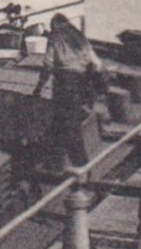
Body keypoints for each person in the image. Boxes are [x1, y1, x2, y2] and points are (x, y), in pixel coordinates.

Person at [32, 13, 103, 168]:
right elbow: (96, 64)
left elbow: (48, 65)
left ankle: (82, 168)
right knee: (57, 124)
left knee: (69, 129)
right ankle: (53, 165)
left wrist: (38, 87)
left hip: (65, 86)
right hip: (82, 85)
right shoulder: (79, 37)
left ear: (54, 26)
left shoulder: (56, 37)